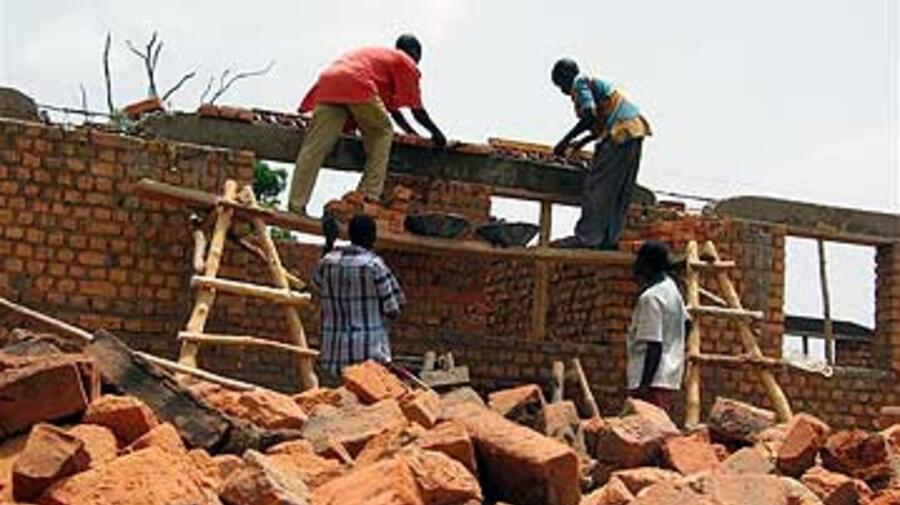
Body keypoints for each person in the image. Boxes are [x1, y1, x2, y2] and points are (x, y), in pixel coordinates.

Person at [289, 34, 447, 216]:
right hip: (357, 82)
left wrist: (412, 133)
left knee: (315, 147)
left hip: (329, 81)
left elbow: (393, 111)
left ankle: (296, 205)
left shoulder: (382, 60)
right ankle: (367, 196)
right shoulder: (406, 62)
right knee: (383, 133)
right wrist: (438, 135)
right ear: (415, 53)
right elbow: (417, 110)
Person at [550, 58, 652, 250]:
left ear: (566, 77)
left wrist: (564, 142)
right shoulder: (594, 85)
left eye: (560, 84)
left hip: (620, 132)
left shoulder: (580, 83)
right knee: (618, 189)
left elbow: (589, 115)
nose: (562, 91)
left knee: (597, 184)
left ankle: (587, 238)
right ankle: (609, 239)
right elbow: (597, 125)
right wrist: (580, 143)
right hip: (634, 131)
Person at [312, 214, 406, 379]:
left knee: (336, 394)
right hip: (368, 357)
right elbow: (393, 308)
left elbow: (316, 286)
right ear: (372, 237)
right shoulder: (374, 265)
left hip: (334, 356)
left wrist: (328, 244)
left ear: (350, 235)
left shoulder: (327, 263)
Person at [626, 241, 689, 412]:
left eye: (639, 261)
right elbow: (687, 323)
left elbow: (654, 345)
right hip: (668, 376)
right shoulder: (671, 289)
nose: (636, 266)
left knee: (646, 425)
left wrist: (644, 387)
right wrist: (676, 350)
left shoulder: (650, 298)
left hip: (650, 380)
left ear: (647, 265)